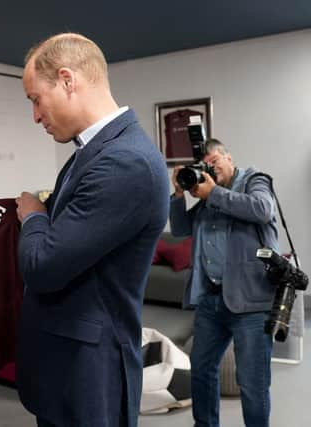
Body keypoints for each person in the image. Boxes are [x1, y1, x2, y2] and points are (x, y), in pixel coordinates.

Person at [15, 33, 170, 427]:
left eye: (36, 99)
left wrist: (33, 215)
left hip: (90, 374)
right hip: (66, 366)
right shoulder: (92, 153)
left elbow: (43, 265)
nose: (35, 116)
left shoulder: (125, 162)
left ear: (68, 80)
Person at [170, 139, 277, 427]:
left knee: (252, 383)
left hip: (251, 302)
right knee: (202, 371)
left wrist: (213, 193)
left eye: (215, 161)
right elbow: (180, 228)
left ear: (229, 158)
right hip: (210, 300)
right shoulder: (206, 199)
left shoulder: (254, 180)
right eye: (206, 164)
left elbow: (263, 209)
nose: (212, 168)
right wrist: (179, 194)